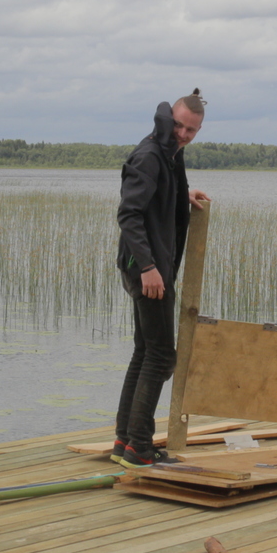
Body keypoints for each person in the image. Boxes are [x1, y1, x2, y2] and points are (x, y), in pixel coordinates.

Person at [111, 90, 211, 467]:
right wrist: (150, 268)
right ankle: (139, 446)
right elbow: (129, 215)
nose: (184, 134)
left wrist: (182, 194)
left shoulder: (169, 153)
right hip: (147, 270)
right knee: (161, 357)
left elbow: (152, 199)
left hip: (150, 266)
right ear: (170, 117)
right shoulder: (151, 154)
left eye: (192, 130)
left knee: (145, 352)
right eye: (181, 126)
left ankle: (125, 440)